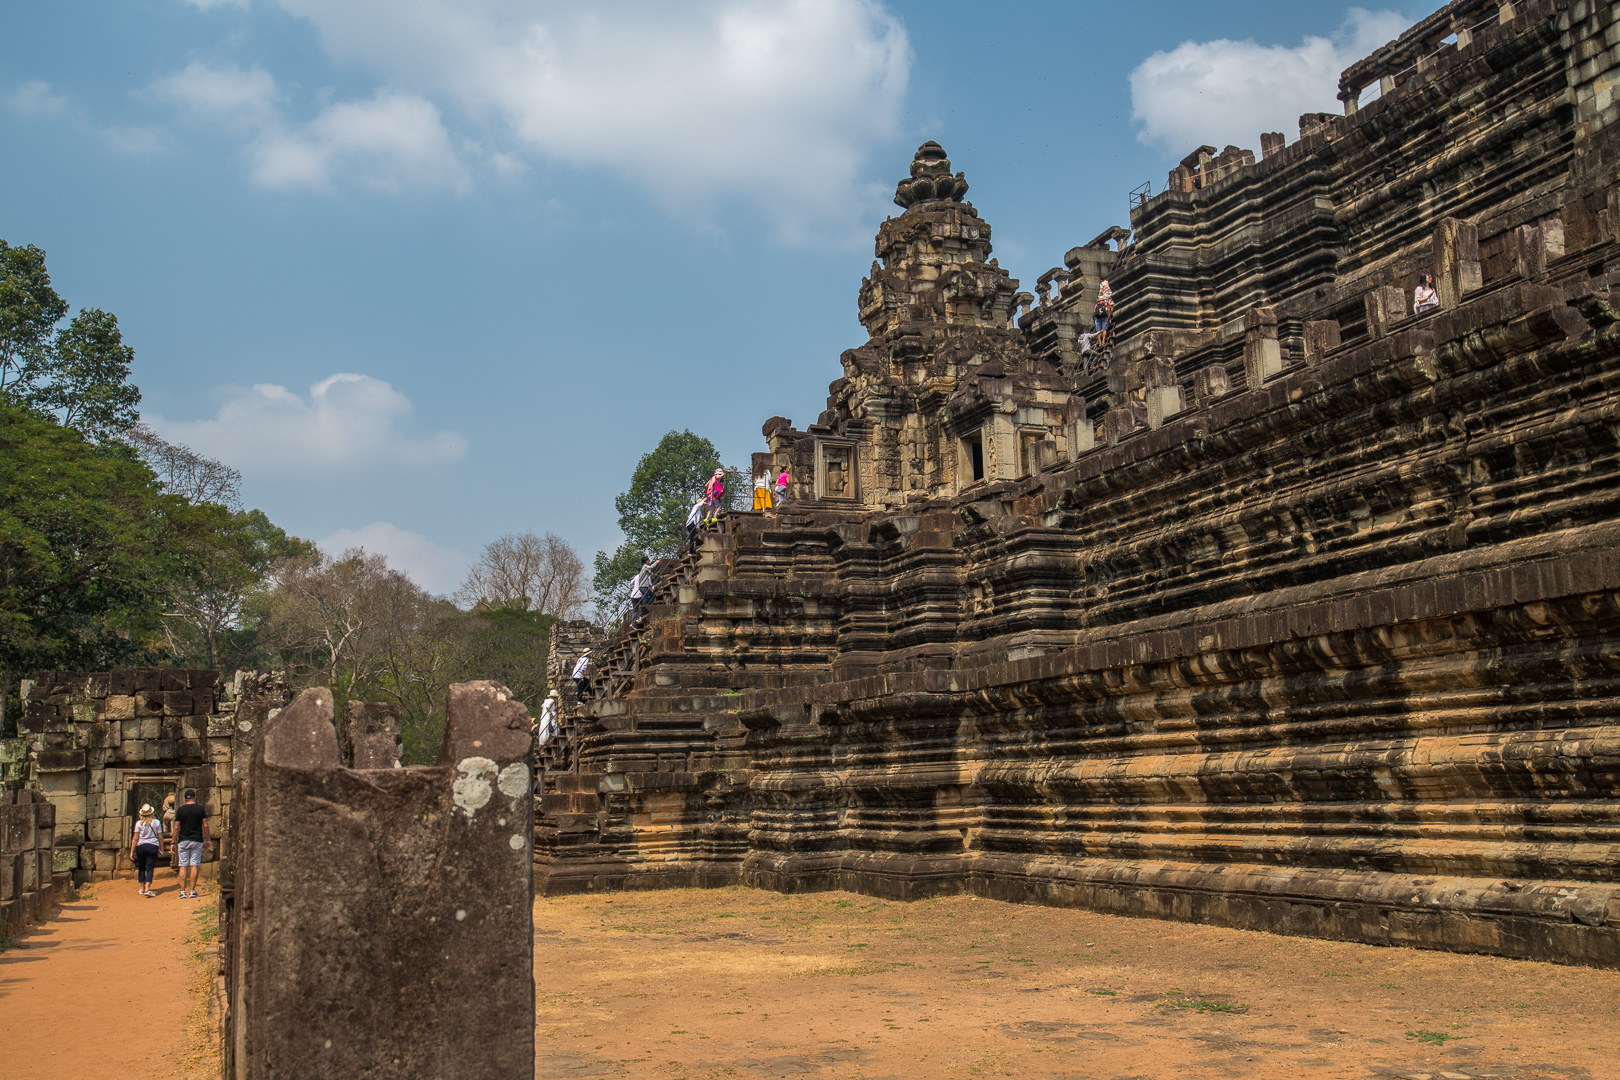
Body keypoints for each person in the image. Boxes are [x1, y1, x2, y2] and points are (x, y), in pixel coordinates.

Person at [171, 789, 209, 899]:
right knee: (194, 865)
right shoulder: (200, 809)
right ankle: (192, 891)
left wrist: (173, 842)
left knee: (183, 865)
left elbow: (176, 827)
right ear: (195, 798)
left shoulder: (180, 810)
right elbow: (205, 826)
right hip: (197, 840)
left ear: (184, 799)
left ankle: (182, 892)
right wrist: (208, 840)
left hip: (183, 840)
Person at [129, 803, 164, 898]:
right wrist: (161, 848)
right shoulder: (156, 822)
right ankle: (147, 888)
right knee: (150, 867)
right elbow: (160, 837)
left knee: (141, 867)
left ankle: (142, 888)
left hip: (141, 846)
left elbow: (135, 838)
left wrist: (131, 851)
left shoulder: (138, 823)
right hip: (153, 846)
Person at [1094, 279, 1115, 350]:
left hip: (1098, 318)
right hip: (1104, 316)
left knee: (1098, 331)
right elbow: (1108, 310)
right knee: (1104, 329)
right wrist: (1109, 319)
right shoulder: (1105, 303)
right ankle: (1103, 341)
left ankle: (1099, 343)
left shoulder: (1096, 305)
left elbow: (1094, 312)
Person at [161, 792, 178, 875]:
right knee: (173, 825)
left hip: (167, 814)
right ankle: (172, 833)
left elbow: (163, 809)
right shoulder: (176, 803)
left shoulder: (166, 802)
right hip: (173, 814)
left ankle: (164, 831)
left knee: (165, 822)